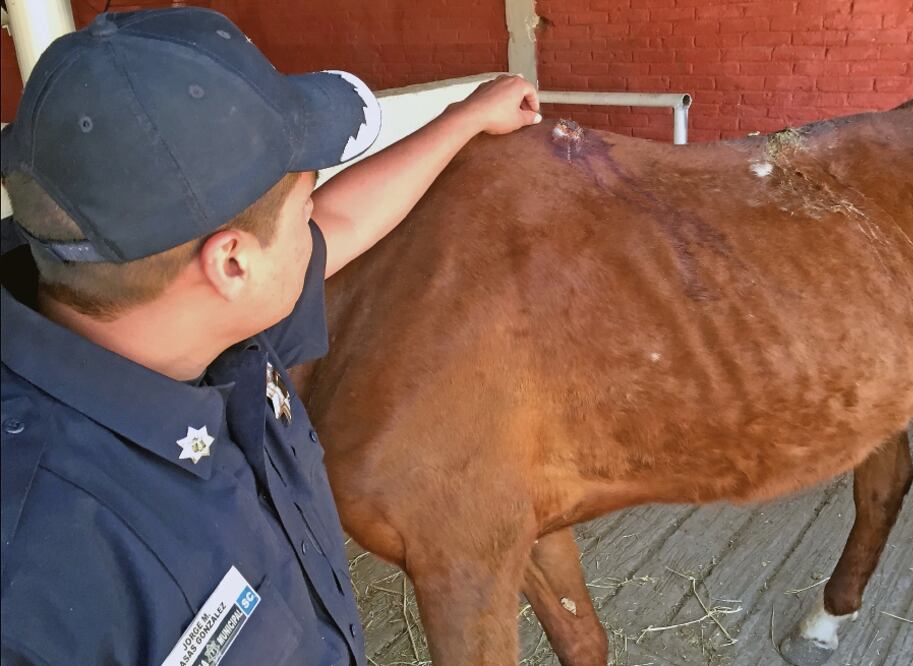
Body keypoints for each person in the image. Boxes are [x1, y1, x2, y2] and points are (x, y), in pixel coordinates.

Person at [0, 7, 540, 665]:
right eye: (302, 209)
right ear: (231, 263)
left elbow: (343, 220)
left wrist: (465, 118)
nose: (314, 226)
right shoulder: (36, 574)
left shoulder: (161, 311)